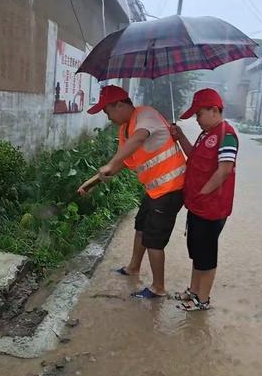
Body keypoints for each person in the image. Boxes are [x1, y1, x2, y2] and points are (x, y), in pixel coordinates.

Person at [78, 85, 185, 298]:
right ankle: (133, 267)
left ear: (119, 105)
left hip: (172, 188)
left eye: (107, 111)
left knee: (154, 240)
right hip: (155, 189)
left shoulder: (145, 115)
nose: (107, 117)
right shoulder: (125, 129)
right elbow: (121, 163)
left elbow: (138, 139)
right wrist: (89, 184)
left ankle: (159, 288)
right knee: (141, 226)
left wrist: (110, 163)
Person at [170, 88, 238, 311]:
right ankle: (193, 290)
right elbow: (194, 158)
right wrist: (179, 137)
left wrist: (203, 192)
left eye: (199, 114)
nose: (197, 119)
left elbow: (224, 170)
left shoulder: (226, 135)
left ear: (214, 110)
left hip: (212, 207)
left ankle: (203, 299)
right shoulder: (205, 134)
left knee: (206, 253)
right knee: (197, 250)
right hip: (198, 205)